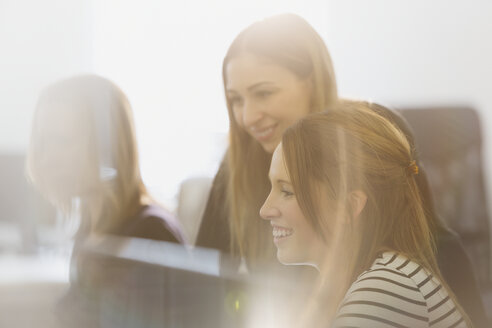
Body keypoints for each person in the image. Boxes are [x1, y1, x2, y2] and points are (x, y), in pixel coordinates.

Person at [196, 13, 488, 327]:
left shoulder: (364, 138)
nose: (248, 116)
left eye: (264, 93)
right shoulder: (240, 163)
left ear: (311, 80)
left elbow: (430, 249)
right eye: (235, 100)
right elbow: (197, 282)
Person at [260, 100, 472, 327]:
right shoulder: (370, 280)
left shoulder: (386, 288)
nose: (264, 210)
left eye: (287, 191)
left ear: (349, 206)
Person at [26, 74, 185, 326]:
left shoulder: (151, 233)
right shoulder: (92, 224)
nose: (47, 158)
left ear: (107, 146)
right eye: (44, 143)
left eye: (62, 142)